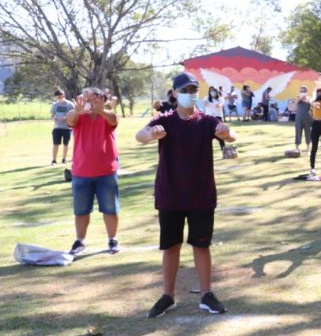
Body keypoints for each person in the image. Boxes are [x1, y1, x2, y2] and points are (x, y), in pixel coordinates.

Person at [135, 72, 236, 318]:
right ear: (174, 93)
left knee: (201, 246)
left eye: (193, 90)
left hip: (201, 195)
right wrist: (151, 135)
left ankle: (206, 295)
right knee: (171, 246)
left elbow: (232, 136)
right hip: (170, 194)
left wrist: (226, 133)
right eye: (184, 90)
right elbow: (140, 136)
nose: (189, 95)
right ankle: (167, 296)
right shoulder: (165, 120)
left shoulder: (208, 120)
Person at [65, 87, 121, 255]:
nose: (89, 101)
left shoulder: (107, 115)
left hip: (106, 172)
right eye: (87, 98)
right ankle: (80, 241)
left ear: (101, 100)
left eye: (94, 98)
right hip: (81, 172)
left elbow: (114, 120)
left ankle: (112, 239)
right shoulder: (78, 116)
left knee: (110, 209)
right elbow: (70, 120)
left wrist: (101, 110)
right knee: (81, 210)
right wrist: (76, 111)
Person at [50, 89, 75, 165]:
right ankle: (54, 160)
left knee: (65, 144)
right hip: (57, 127)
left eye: (60, 96)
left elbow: (73, 115)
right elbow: (52, 114)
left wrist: (66, 118)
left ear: (63, 95)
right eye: (58, 97)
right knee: (55, 144)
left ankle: (64, 159)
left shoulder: (70, 104)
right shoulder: (54, 105)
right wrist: (53, 118)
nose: (59, 98)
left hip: (67, 128)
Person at [203, 86, 225, 152]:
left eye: (214, 90)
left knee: (220, 135)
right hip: (209, 118)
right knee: (207, 136)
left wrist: (214, 105)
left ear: (216, 91)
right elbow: (205, 104)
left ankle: (224, 150)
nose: (212, 92)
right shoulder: (206, 98)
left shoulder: (220, 99)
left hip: (218, 117)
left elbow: (220, 105)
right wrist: (213, 104)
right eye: (211, 91)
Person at [294, 86, 313, 152]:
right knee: (298, 132)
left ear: (307, 92)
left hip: (307, 117)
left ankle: (308, 149)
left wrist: (306, 99)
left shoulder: (309, 98)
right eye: (301, 91)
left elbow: (311, 104)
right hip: (299, 117)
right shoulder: (298, 97)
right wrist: (300, 98)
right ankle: (297, 148)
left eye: (304, 91)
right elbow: (296, 102)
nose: (302, 92)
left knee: (308, 133)